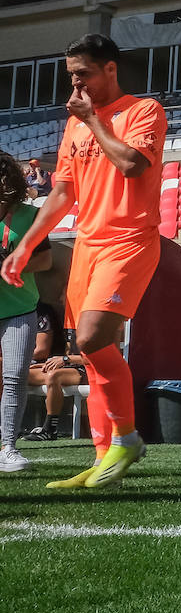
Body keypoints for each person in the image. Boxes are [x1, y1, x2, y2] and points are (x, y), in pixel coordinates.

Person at [1, 34, 166, 489]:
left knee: (93, 339)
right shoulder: (73, 125)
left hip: (129, 239)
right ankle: (100, 456)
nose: (76, 82)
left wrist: (93, 120)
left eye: (84, 73)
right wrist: (24, 245)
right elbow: (62, 193)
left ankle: (128, 437)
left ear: (110, 69)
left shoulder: (143, 111)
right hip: (89, 245)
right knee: (90, 354)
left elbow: (132, 164)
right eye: (72, 74)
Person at [0, 154, 52, 472]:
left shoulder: (30, 216)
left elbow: (45, 261)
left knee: (16, 375)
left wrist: (11, 266)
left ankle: (8, 447)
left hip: (20, 308)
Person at [21, 303, 85, 443]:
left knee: (53, 376)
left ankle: (50, 429)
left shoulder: (95, 322)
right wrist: (51, 363)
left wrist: (65, 359)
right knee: (17, 373)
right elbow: (68, 351)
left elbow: (98, 358)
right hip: (69, 365)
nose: (63, 299)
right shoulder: (69, 321)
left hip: (87, 370)